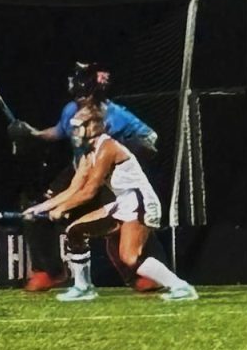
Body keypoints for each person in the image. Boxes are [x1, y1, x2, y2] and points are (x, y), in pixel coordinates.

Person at [10, 61, 165, 293]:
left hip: (108, 176)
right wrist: (32, 133)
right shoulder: (72, 112)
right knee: (37, 207)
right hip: (82, 168)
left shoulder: (115, 119)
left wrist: (118, 155)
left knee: (127, 223)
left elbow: (149, 140)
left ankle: (147, 273)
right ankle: (51, 272)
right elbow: (61, 139)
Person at [23, 102, 196, 302]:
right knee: (75, 231)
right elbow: (74, 188)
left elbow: (89, 191)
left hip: (140, 202)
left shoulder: (108, 147)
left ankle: (180, 286)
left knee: (129, 257)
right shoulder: (88, 153)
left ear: (93, 127)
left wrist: (61, 209)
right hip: (122, 203)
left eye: (78, 126)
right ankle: (83, 287)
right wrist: (39, 209)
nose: (74, 132)